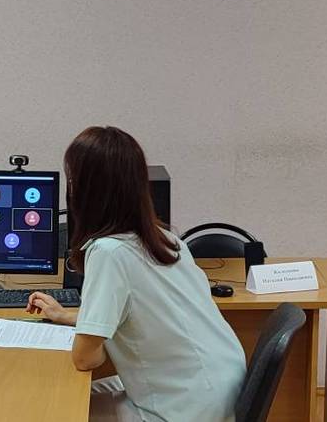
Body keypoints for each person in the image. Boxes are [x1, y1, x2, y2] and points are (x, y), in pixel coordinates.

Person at [26, 126, 246, 422]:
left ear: (85, 190)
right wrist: (69, 316)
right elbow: (145, 314)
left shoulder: (109, 252)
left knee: (52, 408)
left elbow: (86, 359)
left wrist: (93, 335)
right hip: (218, 388)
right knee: (69, 398)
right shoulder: (166, 239)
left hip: (183, 408)